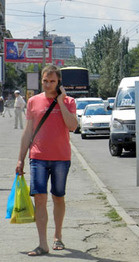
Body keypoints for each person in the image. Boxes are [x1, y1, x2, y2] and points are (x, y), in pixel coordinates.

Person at [15, 65, 78, 256]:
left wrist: (60, 102)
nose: (48, 84)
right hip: (38, 157)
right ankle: (43, 244)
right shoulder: (33, 101)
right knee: (40, 198)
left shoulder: (69, 101)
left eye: (52, 81)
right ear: (41, 80)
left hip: (61, 158)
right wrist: (21, 159)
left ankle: (57, 235)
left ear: (58, 82)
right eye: (45, 80)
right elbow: (28, 132)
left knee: (58, 197)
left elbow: (73, 126)